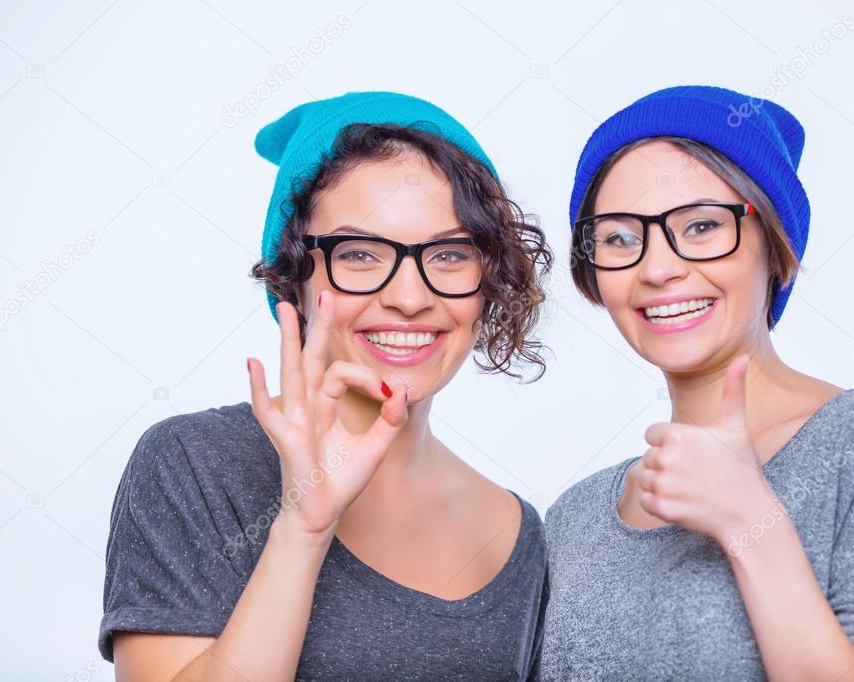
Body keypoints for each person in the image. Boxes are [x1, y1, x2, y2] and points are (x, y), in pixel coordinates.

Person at [99, 91, 552, 680]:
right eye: (360, 254)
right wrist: (303, 529)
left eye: (449, 254)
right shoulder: (195, 464)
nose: (411, 298)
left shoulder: (517, 531)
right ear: (294, 277)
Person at [537, 85, 854, 680]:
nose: (657, 267)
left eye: (703, 226)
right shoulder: (572, 522)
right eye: (619, 238)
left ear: (774, 247)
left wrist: (748, 520)